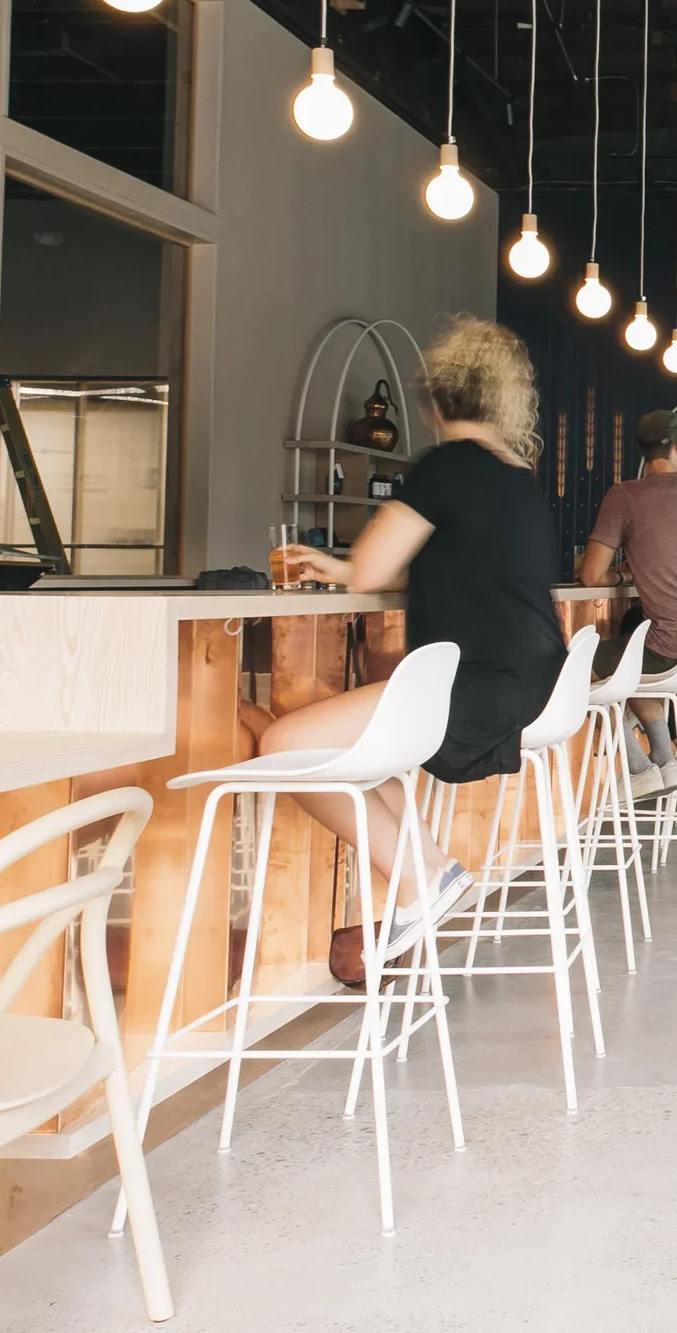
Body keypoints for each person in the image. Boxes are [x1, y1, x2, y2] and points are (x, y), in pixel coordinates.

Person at [257, 315, 564, 985]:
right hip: (528, 678)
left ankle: (425, 875)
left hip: (476, 684)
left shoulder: (444, 465)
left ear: (431, 405)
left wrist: (348, 567)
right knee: (366, 759)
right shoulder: (515, 476)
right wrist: (344, 569)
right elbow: (435, 563)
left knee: (281, 746)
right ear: (505, 402)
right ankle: (428, 869)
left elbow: (371, 570)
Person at [579, 410, 677, 781]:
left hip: (674, 648)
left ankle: (641, 766)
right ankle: (671, 755)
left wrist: (619, 572)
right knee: (629, 658)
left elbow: (590, 575)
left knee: (574, 665)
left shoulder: (624, 495)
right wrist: (631, 569)